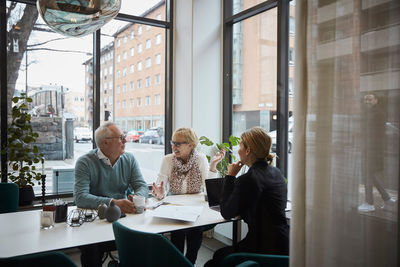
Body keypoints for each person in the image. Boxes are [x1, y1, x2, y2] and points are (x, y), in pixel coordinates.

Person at [204, 127, 289, 267]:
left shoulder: (248, 178)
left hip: (262, 247)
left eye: (240, 145)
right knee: (219, 255)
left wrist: (230, 177)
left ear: (248, 150)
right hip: (283, 244)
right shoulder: (276, 173)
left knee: (214, 261)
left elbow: (226, 212)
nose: (238, 150)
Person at [74, 122, 149, 267]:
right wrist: (113, 203)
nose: (125, 140)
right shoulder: (85, 162)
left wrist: (137, 197)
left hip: (122, 219)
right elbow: (80, 198)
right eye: (121, 137)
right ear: (105, 142)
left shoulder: (129, 159)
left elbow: (141, 185)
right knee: (91, 249)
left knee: (145, 240)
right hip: (96, 220)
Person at [152, 127, 225, 264]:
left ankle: (190, 262)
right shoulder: (168, 160)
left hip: (195, 206)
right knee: (177, 233)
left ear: (191, 145)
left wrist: (213, 166)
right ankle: (178, 262)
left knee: (195, 229)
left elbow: (208, 188)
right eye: (172, 142)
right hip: (174, 206)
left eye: (177, 144)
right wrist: (159, 194)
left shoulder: (200, 159)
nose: (173, 146)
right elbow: (159, 187)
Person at [358, 92, 396, 212]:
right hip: (370, 149)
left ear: (376, 100)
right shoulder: (370, 113)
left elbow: (375, 135)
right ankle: (387, 199)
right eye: (365, 100)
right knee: (371, 175)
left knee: (367, 175)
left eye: (369, 99)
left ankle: (369, 203)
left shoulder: (377, 114)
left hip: (372, 150)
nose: (367, 102)